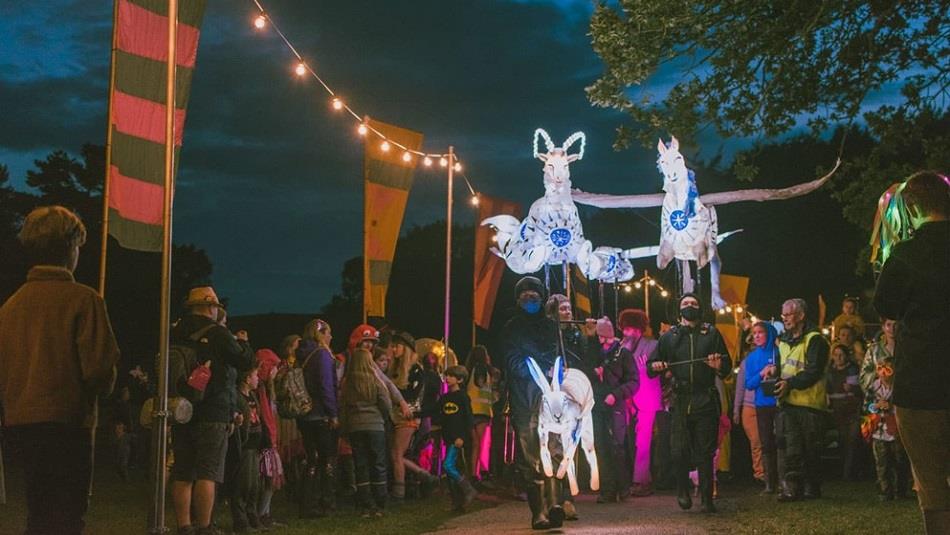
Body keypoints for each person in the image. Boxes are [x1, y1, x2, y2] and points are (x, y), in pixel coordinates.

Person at [0, 206, 120, 535]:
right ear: (70, 248)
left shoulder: (11, 306)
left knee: (39, 511)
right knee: (67, 513)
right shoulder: (83, 300)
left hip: (22, 424)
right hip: (68, 423)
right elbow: (99, 370)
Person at [873, 170, 949, 533]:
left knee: (931, 484)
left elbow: (885, 305)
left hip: (921, 385)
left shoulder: (906, 253)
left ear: (913, 207)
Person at [647, 292, 731, 513]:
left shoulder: (711, 333)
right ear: (679, 309)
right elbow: (651, 365)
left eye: (694, 303)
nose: (690, 306)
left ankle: (706, 498)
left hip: (705, 399)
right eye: (685, 303)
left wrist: (718, 366)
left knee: (705, 453)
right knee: (679, 450)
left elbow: (727, 365)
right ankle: (682, 489)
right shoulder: (669, 336)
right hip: (680, 400)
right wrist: (656, 366)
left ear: (700, 308)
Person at [501, 276, 565, 530]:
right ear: (518, 299)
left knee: (555, 449)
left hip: (551, 399)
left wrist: (555, 373)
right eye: (525, 295)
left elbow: (561, 356)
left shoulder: (551, 328)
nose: (530, 298)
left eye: (534, 295)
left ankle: (555, 505)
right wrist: (535, 372)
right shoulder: (511, 328)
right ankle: (538, 512)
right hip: (524, 398)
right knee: (530, 456)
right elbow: (511, 360)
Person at [767, 298, 830, 503]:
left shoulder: (815, 340)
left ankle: (812, 486)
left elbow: (813, 371)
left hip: (810, 404)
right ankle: (792, 489)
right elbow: (783, 365)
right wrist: (774, 372)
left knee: (811, 448)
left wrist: (790, 383)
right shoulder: (783, 341)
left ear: (801, 316)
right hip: (788, 403)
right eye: (783, 315)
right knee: (790, 447)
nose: (784, 319)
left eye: (789, 314)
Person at [589, 317, 638, 503]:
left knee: (616, 446)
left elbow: (634, 382)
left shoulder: (623, 354)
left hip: (615, 406)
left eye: (603, 337)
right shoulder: (595, 354)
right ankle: (607, 490)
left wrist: (616, 395)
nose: (601, 341)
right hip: (598, 405)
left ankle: (623, 487)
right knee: (601, 447)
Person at [340, 348, 392, 518]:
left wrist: (344, 427)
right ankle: (380, 502)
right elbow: (386, 403)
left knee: (361, 465)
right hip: (375, 425)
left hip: (356, 426)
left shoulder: (348, 382)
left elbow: (343, 407)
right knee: (378, 463)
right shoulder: (374, 380)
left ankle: (365, 503)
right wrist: (382, 416)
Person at [295, 319, 339, 518]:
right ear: (320, 334)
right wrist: (333, 413)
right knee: (327, 459)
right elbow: (326, 386)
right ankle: (327, 502)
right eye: (328, 333)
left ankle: (306, 503)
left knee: (311, 458)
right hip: (321, 413)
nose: (331, 337)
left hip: (304, 413)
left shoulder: (301, 355)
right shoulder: (321, 355)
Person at [387, 330, 436, 499]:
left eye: (397, 346)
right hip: (397, 415)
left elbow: (411, 395)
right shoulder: (397, 369)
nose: (394, 350)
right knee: (396, 454)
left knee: (397, 454)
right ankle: (424, 476)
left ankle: (400, 490)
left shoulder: (415, 370)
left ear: (406, 348)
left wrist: (394, 392)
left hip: (407, 416)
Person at [618, 308, 660, 497]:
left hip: (647, 399)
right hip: (625, 399)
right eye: (626, 329)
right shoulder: (619, 348)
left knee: (643, 442)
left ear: (641, 330)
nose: (629, 333)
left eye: (634, 329)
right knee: (622, 439)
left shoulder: (652, 346)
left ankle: (640, 480)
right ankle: (627, 478)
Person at [864, 358, 911, 501]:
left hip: (896, 430)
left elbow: (906, 407)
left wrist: (891, 407)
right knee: (881, 463)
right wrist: (876, 407)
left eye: (888, 370)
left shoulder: (900, 389)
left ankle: (899, 491)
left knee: (899, 461)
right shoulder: (873, 388)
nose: (884, 373)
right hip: (879, 430)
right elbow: (866, 407)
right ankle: (884, 491)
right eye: (880, 369)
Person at [743, 321, 780, 494]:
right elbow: (749, 384)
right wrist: (761, 373)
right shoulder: (751, 358)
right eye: (754, 332)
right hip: (762, 404)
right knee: (766, 443)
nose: (757, 335)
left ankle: (784, 481)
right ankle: (769, 482)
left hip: (780, 403)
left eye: (761, 332)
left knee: (781, 441)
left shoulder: (779, 352)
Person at [439, 365, 478, 511]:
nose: (447, 378)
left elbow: (468, 418)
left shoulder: (462, 397)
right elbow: (439, 414)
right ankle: (457, 502)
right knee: (451, 472)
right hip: (448, 437)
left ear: (460, 379)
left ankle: (468, 489)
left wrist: (462, 436)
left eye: (451, 376)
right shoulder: (444, 398)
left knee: (448, 465)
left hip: (457, 438)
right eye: (447, 375)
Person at [230, 364, 264, 533]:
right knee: (242, 484)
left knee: (254, 485)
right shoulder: (237, 397)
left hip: (254, 446)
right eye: (255, 375)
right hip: (244, 446)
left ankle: (252, 515)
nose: (258, 378)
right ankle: (241, 521)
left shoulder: (252, 395)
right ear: (247, 379)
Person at [254, 349, 284, 529]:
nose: (276, 371)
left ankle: (264, 512)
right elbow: (264, 417)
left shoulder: (267, 390)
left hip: (268, 438)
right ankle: (262, 513)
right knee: (268, 478)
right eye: (273, 367)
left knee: (269, 479)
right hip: (264, 441)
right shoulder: (260, 391)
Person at [826, 343, 862, 480]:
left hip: (850, 409)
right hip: (834, 410)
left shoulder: (852, 370)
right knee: (841, 440)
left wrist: (852, 389)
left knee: (851, 441)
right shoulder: (829, 372)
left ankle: (849, 473)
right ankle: (841, 472)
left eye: (841, 354)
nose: (838, 357)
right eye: (835, 355)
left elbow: (857, 389)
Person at [465, 345, 497, 483]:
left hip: (470, 410)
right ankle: (475, 474)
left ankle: (474, 472)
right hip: (481, 411)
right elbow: (481, 383)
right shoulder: (482, 369)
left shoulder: (468, 370)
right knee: (479, 444)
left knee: (474, 443)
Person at [733, 356, 764, 483]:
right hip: (749, 405)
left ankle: (765, 471)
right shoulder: (746, 363)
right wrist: (736, 409)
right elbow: (740, 387)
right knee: (756, 441)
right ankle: (760, 472)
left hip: (764, 404)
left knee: (764, 441)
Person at [860, 317, 896, 393]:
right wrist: (878, 373)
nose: (892, 329)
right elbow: (863, 377)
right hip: (878, 396)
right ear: (883, 327)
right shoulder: (874, 349)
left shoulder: (905, 349)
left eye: (895, 325)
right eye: (888, 325)